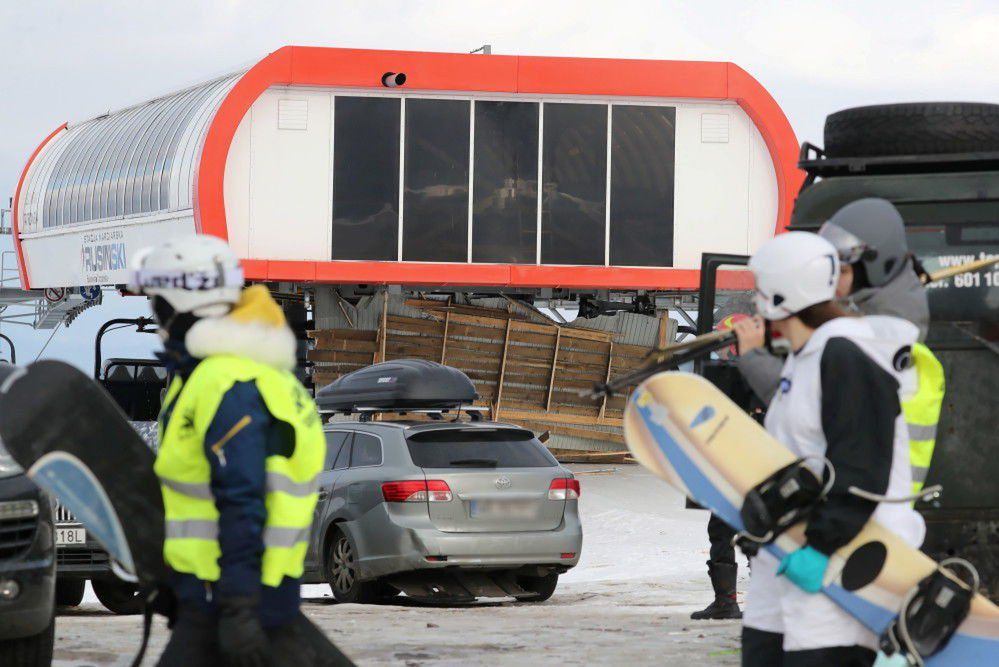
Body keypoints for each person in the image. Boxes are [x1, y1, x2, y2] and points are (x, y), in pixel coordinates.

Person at [130, 235, 353, 667]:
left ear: (179, 303)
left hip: (232, 596)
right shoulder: (243, 373)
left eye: (156, 301)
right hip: (232, 592)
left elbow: (243, 499)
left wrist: (239, 609)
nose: (153, 312)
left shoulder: (226, 382)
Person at [739, 232, 925, 666]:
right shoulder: (805, 358)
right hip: (789, 555)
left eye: (759, 287)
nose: (754, 297)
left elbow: (861, 464)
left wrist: (821, 547)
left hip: (840, 562)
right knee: (763, 651)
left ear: (781, 291)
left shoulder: (847, 356)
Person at [735, 198, 943, 492]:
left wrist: (753, 355)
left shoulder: (880, 331)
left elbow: (800, 401)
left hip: (869, 499)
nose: (831, 283)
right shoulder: (871, 311)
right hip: (858, 488)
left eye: (841, 272)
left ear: (872, 268)